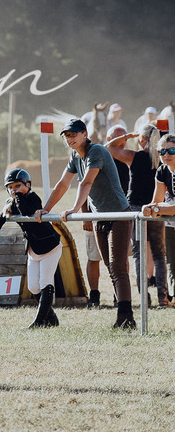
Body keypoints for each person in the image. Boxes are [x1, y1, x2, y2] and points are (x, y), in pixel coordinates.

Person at [35, 118, 137, 329]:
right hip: (100, 216)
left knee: (118, 268)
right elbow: (63, 183)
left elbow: (87, 182)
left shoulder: (96, 151)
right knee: (110, 268)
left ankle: (127, 317)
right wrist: (46, 208)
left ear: (84, 134)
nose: (69, 139)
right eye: (66, 136)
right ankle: (124, 316)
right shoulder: (74, 156)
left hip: (119, 213)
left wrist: (74, 209)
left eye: (73, 134)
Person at [0, 168, 64, 328]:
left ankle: (40, 322)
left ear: (28, 184)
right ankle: (51, 318)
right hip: (34, 248)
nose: (14, 190)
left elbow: (27, 211)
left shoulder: (33, 198)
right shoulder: (10, 203)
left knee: (45, 282)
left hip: (50, 246)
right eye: (10, 187)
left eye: (18, 186)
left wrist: (18, 196)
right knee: (32, 286)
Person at [105, 124, 169, 306]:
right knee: (159, 254)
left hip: (135, 209)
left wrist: (127, 135)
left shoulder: (134, 157)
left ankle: (144, 298)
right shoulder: (161, 158)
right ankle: (163, 298)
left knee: (139, 254)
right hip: (156, 208)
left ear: (141, 139)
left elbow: (109, 148)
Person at [141, 132, 175, 307]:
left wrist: (157, 209)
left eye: (171, 151)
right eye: (162, 152)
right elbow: (157, 202)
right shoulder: (162, 170)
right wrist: (149, 208)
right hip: (172, 224)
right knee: (172, 263)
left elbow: (162, 208)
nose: (166, 155)